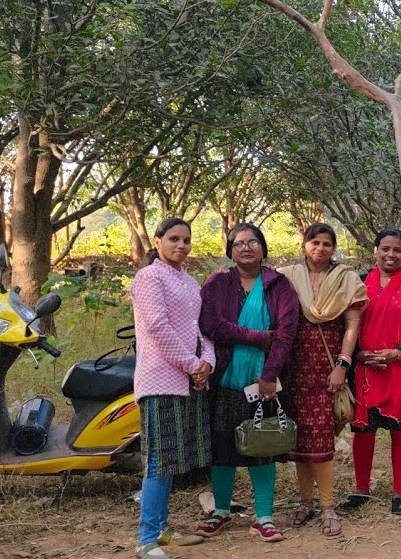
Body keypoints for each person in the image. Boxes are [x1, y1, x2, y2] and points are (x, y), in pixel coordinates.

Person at [196, 223, 299, 543]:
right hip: (224, 378)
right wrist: (258, 337)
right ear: (230, 251)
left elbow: (286, 335)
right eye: (238, 243)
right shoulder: (217, 284)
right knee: (222, 446)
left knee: (262, 445)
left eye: (252, 242)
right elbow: (211, 325)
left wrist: (269, 375)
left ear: (263, 248)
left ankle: (264, 517)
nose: (246, 248)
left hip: (262, 381)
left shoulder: (279, 286)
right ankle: (221, 511)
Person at [130, 218, 214, 559]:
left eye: (186, 240)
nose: (181, 245)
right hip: (161, 379)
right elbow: (158, 328)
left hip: (190, 381)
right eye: (174, 238)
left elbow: (201, 330)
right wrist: (194, 366)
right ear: (158, 240)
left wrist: (207, 363)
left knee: (175, 461)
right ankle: (147, 540)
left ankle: (163, 531)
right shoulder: (149, 276)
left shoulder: (190, 281)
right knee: (158, 461)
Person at [279, 223, 367, 537]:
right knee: (300, 440)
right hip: (293, 368)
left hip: (327, 366)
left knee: (321, 438)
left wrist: (342, 365)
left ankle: (327, 506)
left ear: (334, 247)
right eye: (314, 242)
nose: (321, 248)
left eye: (327, 243)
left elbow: (352, 326)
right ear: (304, 245)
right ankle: (306, 502)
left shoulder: (347, 279)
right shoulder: (287, 277)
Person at [340, 229, 401, 516]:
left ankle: (399, 491)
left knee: (400, 429)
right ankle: (361, 488)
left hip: (398, 368)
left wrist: (398, 351)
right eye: (385, 249)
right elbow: (344, 322)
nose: (391, 255)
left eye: (397, 250)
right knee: (363, 430)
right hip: (363, 368)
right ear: (375, 250)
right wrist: (358, 355)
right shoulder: (357, 283)